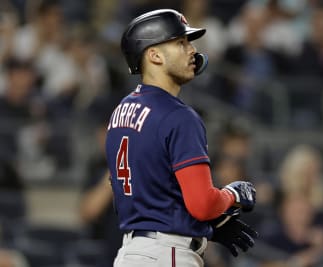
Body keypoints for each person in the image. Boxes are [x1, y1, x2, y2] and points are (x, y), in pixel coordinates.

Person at [105, 9, 258, 267]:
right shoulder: (179, 116)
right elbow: (203, 204)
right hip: (168, 254)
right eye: (180, 43)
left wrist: (205, 226)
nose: (191, 50)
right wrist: (232, 194)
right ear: (154, 55)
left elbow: (141, 191)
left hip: (130, 253)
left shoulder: (120, 111)